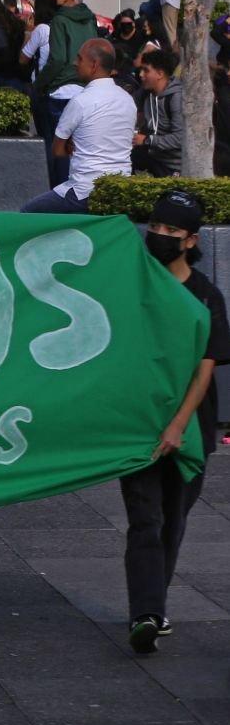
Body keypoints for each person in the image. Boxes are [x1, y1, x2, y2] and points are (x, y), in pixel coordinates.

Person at [120, 189, 230, 655]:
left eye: (171, 232)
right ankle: (146, 613)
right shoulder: (133, 285)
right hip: (138, 425)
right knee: (145, 519)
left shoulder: (206, 295)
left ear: (191, 240)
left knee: (172, 523)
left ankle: (153, 605)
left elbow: (207, 365)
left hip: (190, 429)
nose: (159, 237)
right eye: (155, 228)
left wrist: (178, 425)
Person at [21, 38, 135, 214]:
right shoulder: (128, 100)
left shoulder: (80, 101)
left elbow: (57, 151)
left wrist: (72, 143)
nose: (75, 63)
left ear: (94, 65)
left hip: (84, 191)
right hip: (121, 189)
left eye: (79, 58)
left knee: (28, 212)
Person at [34, 0, 99, 185]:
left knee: (60, 148)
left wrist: (40, 85)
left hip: (60, 92)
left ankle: (60, 193)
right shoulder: (90, 19)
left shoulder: (59, 20)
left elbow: (58, 59)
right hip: (86, 89)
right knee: (82, 149)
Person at [135, 48, 185, 178]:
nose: (141, 75)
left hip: (174, 166)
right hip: (155, 159)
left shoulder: (175, 98)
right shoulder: (147, 95)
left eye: (146, 70)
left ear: (160, 73)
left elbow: (180, 138)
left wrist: (147, 140)